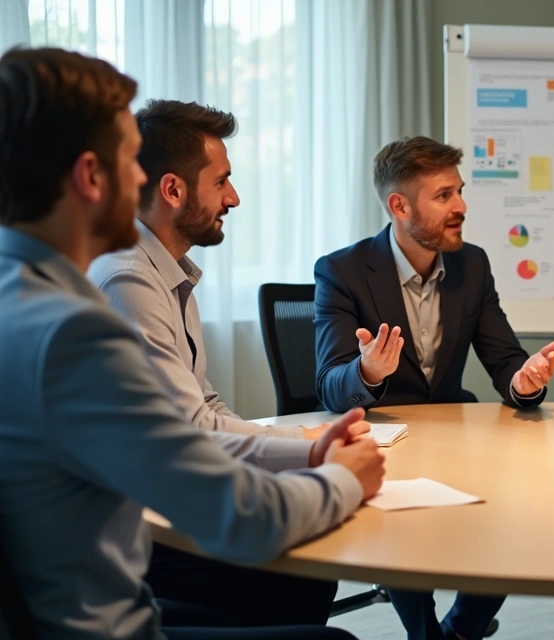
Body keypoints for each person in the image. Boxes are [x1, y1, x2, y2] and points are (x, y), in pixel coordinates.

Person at [0, 46, 386, 639]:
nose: (141, 180)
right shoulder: (73, 331)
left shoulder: (19, 296)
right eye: (131, 161)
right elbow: (242, 519)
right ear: (90, 177)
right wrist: (345, 477)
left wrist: (307, 455)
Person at [88, 99, 342, 627]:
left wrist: (301, 448)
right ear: (173, 190)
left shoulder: (168, 271)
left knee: (310, 561)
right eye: (222, 181)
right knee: (303, 563)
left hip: (162, 497)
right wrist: (310, 450)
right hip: (133, 533)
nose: (235, 197)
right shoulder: (127, 280)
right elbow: (193, 427)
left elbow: (204, 402)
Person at [314, 135, 554, 638]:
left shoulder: (473, 265)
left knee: (518, 503)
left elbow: (505, 360)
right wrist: (368, 372)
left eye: (459, 192)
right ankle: (425, 632)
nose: (461, 206)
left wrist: (524, 381)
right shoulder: (342, 271)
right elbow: (331, 385)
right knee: (401, 511)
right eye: (444, 195)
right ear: (399, 206)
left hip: (452, 431)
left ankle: (459, 629)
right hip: (384, 434)